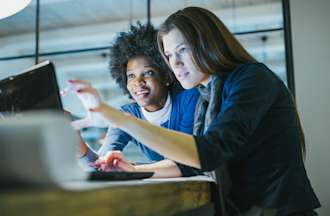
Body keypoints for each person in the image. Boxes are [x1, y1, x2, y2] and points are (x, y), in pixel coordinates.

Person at [82, 7, 320, 216]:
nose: (175, 63)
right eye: (169, 55)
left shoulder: (252, 78)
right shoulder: (206, 97)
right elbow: (193, 164)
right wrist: (133, 170)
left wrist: (120, 119)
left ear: (208, 43)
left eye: (183, 50)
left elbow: (209, 152)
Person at [73, 23, 200, 178]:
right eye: (131, 76)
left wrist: (133, 169)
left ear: (166, 76)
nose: (138, 82)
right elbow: (101, 166)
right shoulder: (127, 114)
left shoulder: (189, 99)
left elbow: (188, 162)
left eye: (148, 73)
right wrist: (80, 147)